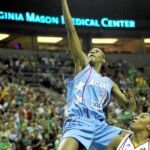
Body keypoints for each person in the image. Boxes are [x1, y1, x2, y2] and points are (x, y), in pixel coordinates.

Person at [59, 0, 136, 150]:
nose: (92, 51)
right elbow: (71, 31)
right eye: (90, 51)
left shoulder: (109, 82)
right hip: (78, 123)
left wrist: (132, 101)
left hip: (101, 127)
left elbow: (129, 108)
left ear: (103, 59)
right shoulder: (82, 66)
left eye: (97, 51)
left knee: (135, 140)